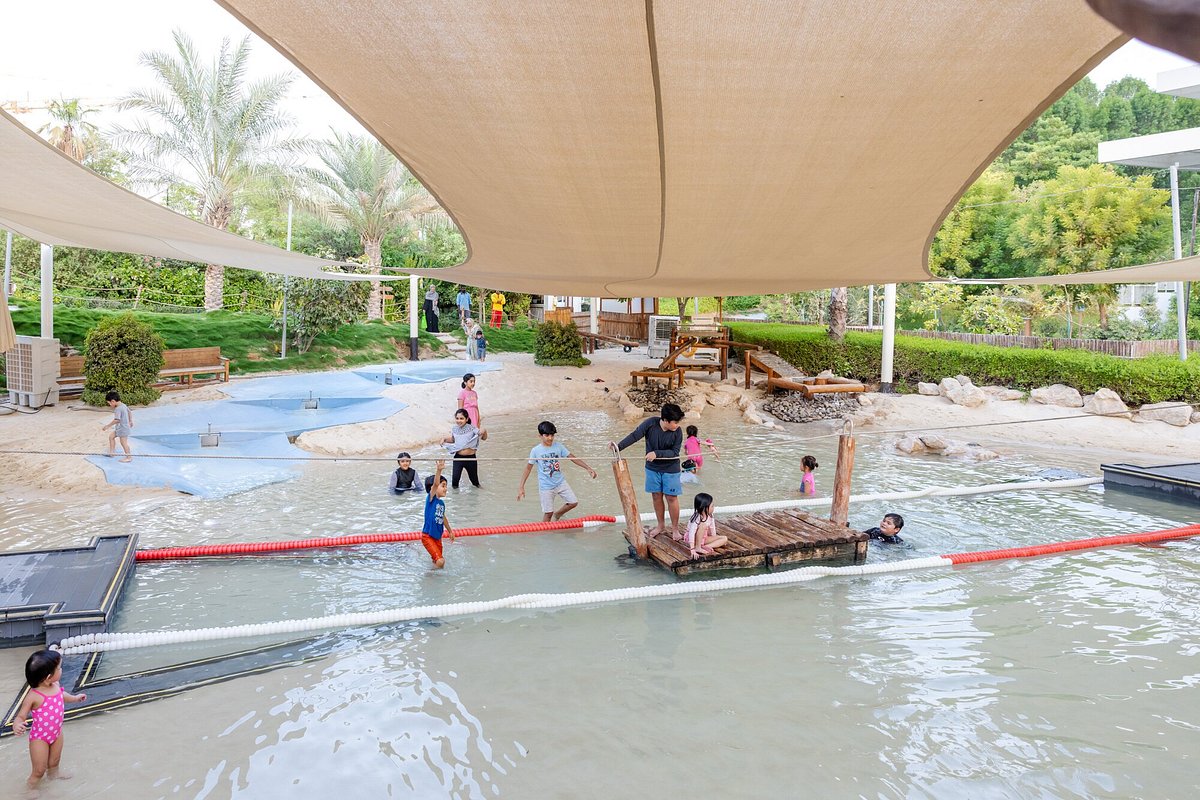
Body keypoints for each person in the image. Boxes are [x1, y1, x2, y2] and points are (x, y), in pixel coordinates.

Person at [11, 649, 87, 789]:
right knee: (39, 770)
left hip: (57, 733)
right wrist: (17, 724)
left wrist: (75, 698)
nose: (61, 669)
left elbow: (62, 695)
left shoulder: (56, 686)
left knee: (54, 762)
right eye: (58, 668)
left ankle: (54, 775)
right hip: (40, 738)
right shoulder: (33, 696)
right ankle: (31, 788)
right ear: (47, 677)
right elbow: (21, 715)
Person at [614, 403, 685, 538]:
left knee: (671, 497)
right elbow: (635, 436)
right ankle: (660, 525)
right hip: (652, 468)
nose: (677, 425)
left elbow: (675, 452)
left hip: (671, 468)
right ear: (665, 420)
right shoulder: (650, 424)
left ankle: (675, 529)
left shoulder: (678, 431)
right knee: (656, 496)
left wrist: (656, 453)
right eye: (675, 422)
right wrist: (618, 447)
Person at [517, 421, 597, 521]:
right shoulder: (535, 451)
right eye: (547, 435)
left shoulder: (558, 446)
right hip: (546, 486)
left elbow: (572, 457)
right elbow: (528, 468)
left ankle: (558, 514)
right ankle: (545, 534)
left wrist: (588, 468)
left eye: (552, 435)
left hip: (560, 482)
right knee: (548, 513)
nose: (550, 438)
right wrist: (521, 487)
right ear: (540, 436)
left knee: (573, 502)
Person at [422, 459, 455, 568]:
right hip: (428, 536)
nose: (446, 488)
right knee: (441, 561)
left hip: (437, 537)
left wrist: (450, 531)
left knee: (436, 561)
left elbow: (443, 518)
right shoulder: (431, 499)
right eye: (443, 485)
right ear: (433, 488)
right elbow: (435, 484)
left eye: (446, 486)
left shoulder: (441, 503)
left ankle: (433, 578)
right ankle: (429, 576)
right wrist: (439, 470)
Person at [673, 492, 728, 558]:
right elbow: (691, 533)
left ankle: (706, 546)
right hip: (693, 539)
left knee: (724, 539)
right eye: (712, 506)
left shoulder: (710, 516)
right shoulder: (697, 517)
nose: (714, 508)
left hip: (703, 539)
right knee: (703, 525)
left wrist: (715, 539)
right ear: (704, 508)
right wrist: (692, 549)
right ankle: (698, 547)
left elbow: (712, 529)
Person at [443, 408, 488, 488]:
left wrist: (484, 431)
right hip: (458, 458)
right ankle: (456, 499)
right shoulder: (454, 429)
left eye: (461, 418)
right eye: (457, 418)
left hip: (470, 458)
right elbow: (453, 440)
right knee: (455, 483)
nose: (459, 420)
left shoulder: (472, 428)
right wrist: (444, 439)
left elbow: (483, 438)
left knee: (475, 482)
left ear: (466, 419)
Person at [102, 390, 133, 462]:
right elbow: (129, 411)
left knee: (123, 443)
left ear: (113, 401)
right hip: (120, 428)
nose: (109, 405)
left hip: (123, 428)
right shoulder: (123, 405)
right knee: (111, 437)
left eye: (109, 403)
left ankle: (129, 457)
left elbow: (117, 420)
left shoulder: (118, 409)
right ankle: (112, 453)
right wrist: (130, 420)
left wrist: (108, 426)